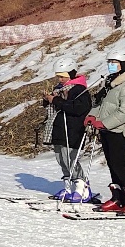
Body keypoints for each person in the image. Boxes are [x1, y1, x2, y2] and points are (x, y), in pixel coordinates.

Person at [85, 52, 125, 215]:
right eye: (110, 62)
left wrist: (105, 122)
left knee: (119, 165)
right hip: (107, 129)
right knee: (112, 163)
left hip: (120, 128)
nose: (111, 65)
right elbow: (103, 104)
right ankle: (119, 198)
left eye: (115, 62)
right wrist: (92, 115)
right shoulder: (112, 83)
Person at [42, 69, 93, 203]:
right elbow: (55, 106)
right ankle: (68, 187)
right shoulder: (59, 89)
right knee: (61, 159)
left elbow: (77, 108)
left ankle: (82, 188)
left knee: (71, 159)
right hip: (58, 128)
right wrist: (48, 100)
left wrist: (56, 100)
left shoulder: (79, 90)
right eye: (58, 77)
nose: (60, 79)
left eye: (63, 77)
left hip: (72, 129)